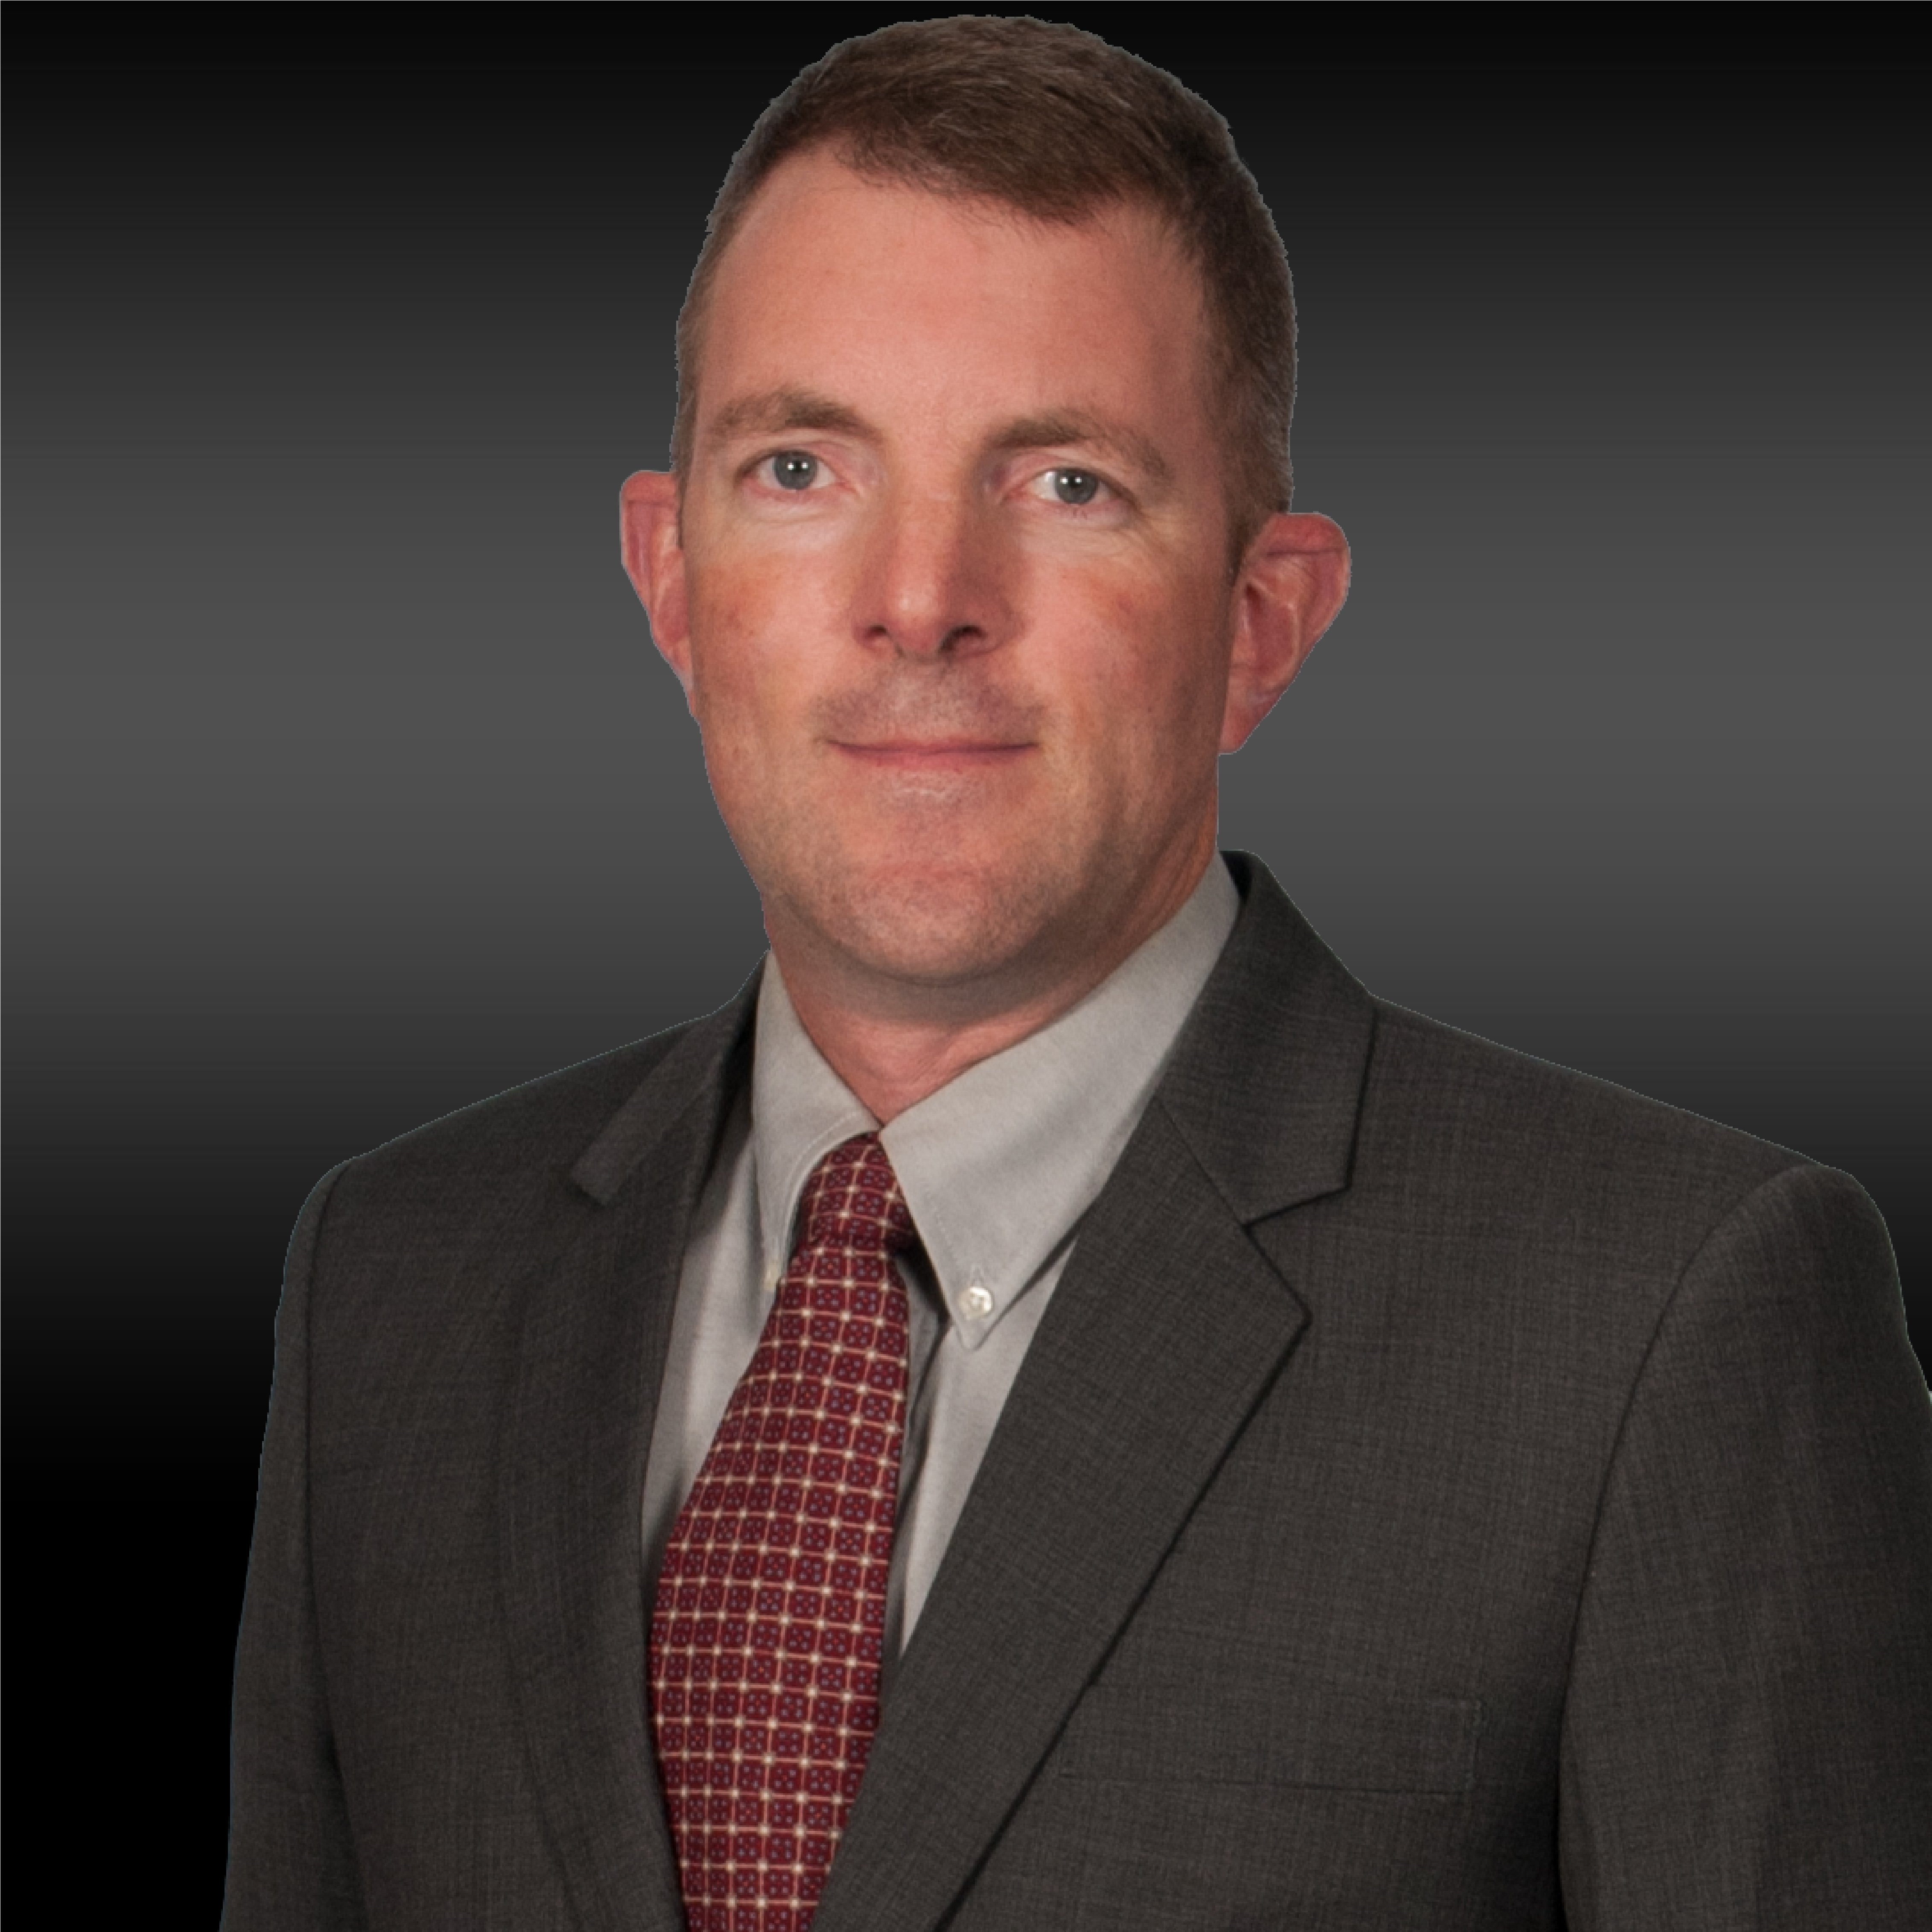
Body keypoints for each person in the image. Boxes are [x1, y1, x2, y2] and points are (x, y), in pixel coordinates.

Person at [224, 17, 1932, 1929]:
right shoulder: (396, 1279)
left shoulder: (1669, 1322)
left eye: (1065, 486)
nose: (921, 599)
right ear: (673, 578)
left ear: (1260, 622)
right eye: (801, 465)